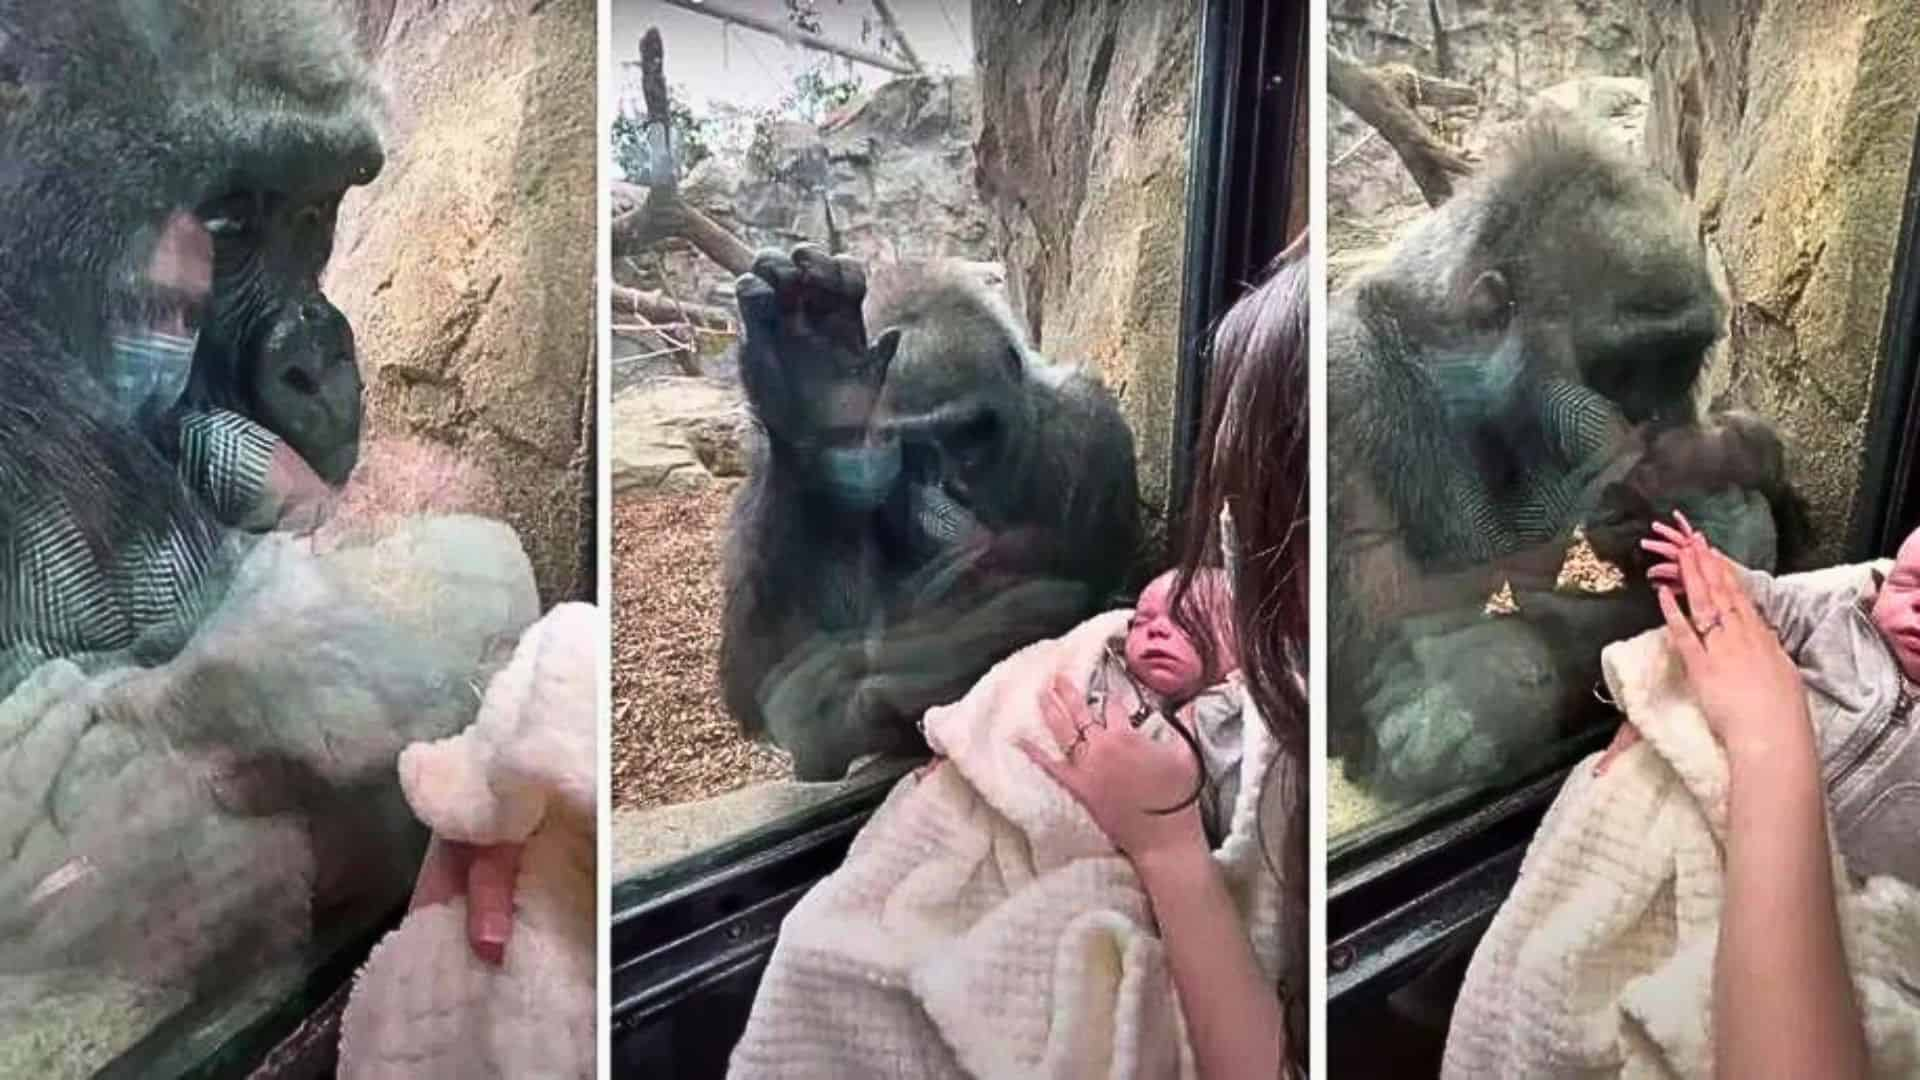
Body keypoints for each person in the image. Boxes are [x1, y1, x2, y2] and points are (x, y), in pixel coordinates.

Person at [1022, 232, 1309, 1080]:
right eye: (1141, 614)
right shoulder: (1146, 673)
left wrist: (1165, 845)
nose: (1148, 626)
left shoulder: (1273, 732)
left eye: (1182, 614)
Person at [1592, 520, 1871, 1078]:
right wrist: (1717, 571)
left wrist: (1769, 730)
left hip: (1855, 886)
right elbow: (1780, 600)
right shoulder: (1856, 610)